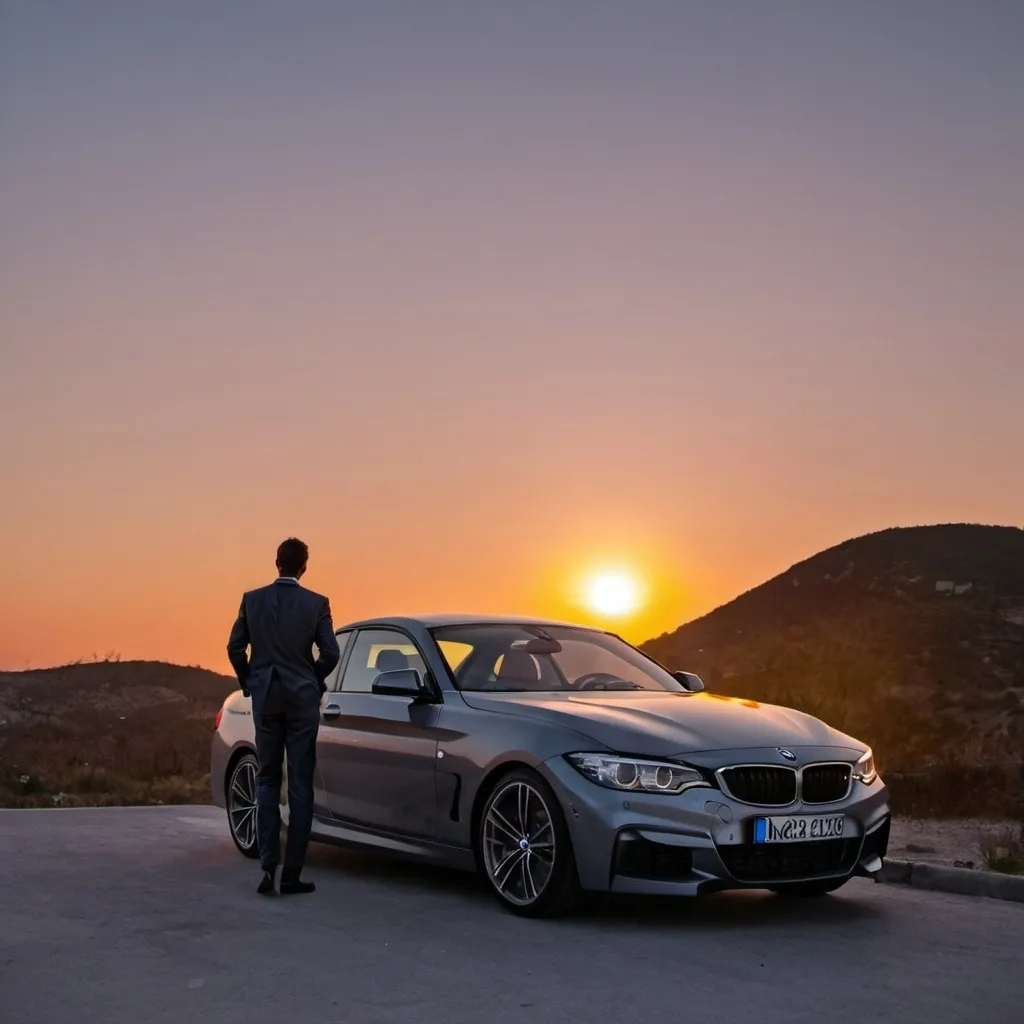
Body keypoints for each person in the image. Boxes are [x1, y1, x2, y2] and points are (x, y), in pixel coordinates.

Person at [226, 537, 340, 895]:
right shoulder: (316, 604)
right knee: (301, 786)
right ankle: (292, 875)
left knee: (267, 781)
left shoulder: (252, 600)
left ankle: (266, 871)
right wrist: (312, 679)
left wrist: (251, 681)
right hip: (302, 700)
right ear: (303, 567)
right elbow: (331, 653)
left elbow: (234, 647)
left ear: (277, 563)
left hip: (266, 697)